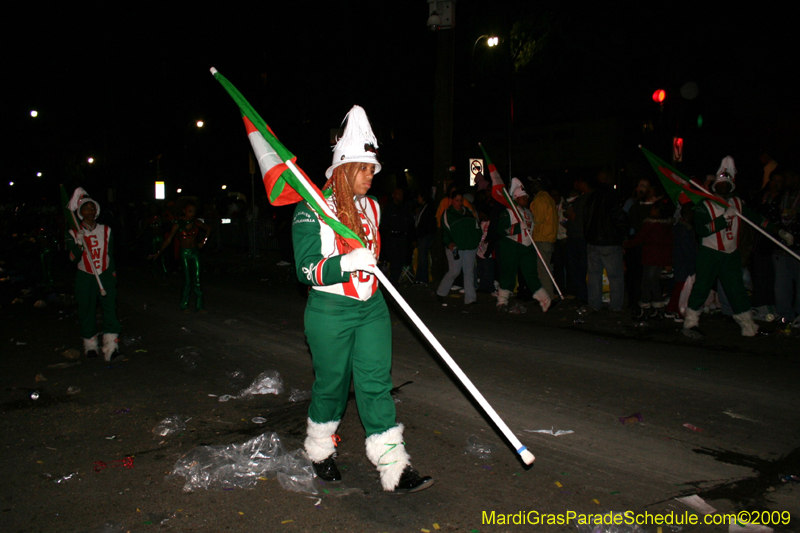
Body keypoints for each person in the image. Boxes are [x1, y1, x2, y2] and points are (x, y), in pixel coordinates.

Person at [292, 105, 432, 494]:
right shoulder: (311, 207)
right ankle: (319, 450)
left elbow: (370, 254)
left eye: (373, 169)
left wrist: (368, 265)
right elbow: (304, 269)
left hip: (371, 308)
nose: (372, 176)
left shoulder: (372, 207)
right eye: (365, 169)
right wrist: (344, 263)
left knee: (375, 383)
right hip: (329, 311)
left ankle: (394, 465)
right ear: (344, 169)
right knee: (332, 386)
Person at [682, 156, 784, 338]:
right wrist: (724, 219)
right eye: (721, 183)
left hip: (730, 254)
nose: (725, 186)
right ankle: (690, 323)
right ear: (715, 186)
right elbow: (702, 230)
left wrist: (780, 232)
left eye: (727, 184)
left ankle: (748, 326)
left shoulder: (738, 203)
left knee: (737, 290)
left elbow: (757, 219)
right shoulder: (705, 205)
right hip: (710, 253)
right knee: (702, 287)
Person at [65, 188, 122, 361]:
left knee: (110, 309)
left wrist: (112, 273)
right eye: (86, 208)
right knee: (86, 309)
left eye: (92, 208)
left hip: (104, 273)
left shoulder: (106, 230)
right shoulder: (73, 232)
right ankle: (90, 346)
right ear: (80, 212)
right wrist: (79, 244)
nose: (90, 211)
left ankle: (111, 348)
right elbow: (73, 259)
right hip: (85, 275)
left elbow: (110, 254)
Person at [495, 178, 551, 312]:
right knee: (508, 274)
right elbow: (501, 230)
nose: (526, 200)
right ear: (516, 198)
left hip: (527, 248)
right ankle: (502, 301)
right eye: (522, 198)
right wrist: (517, 227)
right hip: (511, 246)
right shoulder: (509, 212)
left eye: (526, 198)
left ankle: (544, 299)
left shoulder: (528, 212)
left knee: (531, 274)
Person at [151, 200, 211, 313]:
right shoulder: (178, 225)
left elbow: (208, 228)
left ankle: (200, 306)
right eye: (189, 211)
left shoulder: (196, 222)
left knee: (197, 279)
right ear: (184, 211)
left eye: (193, 211)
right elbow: (168, 239)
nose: (192, 213)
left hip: (195, 252)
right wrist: (159, 252)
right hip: (184, 253)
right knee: (187, 280)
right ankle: (184, 305)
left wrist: (204, 241)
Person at [583, 172, 627, 312]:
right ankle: (615, 306)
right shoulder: (612, 195)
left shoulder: (591, 197)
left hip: (593, 241)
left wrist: (588, 236)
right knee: (615, 276)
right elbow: (618, 217)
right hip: (610, 242)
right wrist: (623, 236)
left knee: (594, 275)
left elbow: (585, 219)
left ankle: (594, 304)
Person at [623, 200, 674, 318]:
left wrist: (625, 244)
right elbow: (669, 245)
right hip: (659, 259)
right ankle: (658, 307)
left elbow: (639, 239)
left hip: (650, 258)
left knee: (646, 283)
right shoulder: (667, 226)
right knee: (654, 282)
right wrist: (668, 261)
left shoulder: (650, 224)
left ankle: (645, 308)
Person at [436, 189, 482, 305]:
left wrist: (477, 239)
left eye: (461, 200)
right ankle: (441, 292)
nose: (459, 203)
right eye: (457, 200)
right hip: (456, 247)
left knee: (469, 272)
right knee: (454, 271)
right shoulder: (448, 213)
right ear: (451, 200)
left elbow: (477, 226)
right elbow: (445, 230)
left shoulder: (467, 211)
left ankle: (470, 299)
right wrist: (449, 242)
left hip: (470, 246)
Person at [529, 178, 559, 298]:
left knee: (543, 271)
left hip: (542, 238)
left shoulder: (540, 199)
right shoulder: (549, 198)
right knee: (544, 269)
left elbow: (538, 219)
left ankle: (547, 297)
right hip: (548, 238)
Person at [413, 190, 436, 285]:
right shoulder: (422, 208)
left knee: (423, 257)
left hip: (425, 236)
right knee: (421, 257)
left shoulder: (428, 208)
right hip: (422, 235)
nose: (417, 199)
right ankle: (419, 278)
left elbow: (426, 223)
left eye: (419, 197)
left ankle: (423, 279)